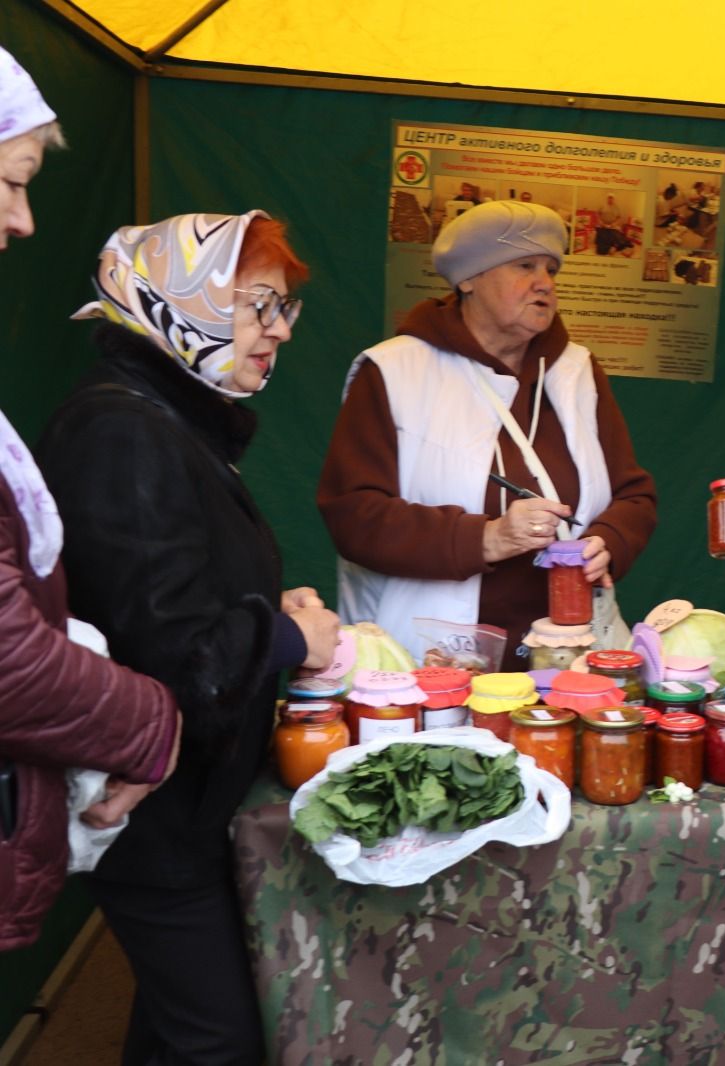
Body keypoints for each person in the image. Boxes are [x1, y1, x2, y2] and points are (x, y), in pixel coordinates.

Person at [36, 211, 341, 1063]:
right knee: (223, 1040)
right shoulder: (124, 429)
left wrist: (269, 602)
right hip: (153, 811)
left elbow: (160, 595)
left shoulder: (167, 419)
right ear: (182, 300)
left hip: (182, 802)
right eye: (256, 305)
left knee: (183, 1029)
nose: (277, 332)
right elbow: (171, 656)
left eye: (285, 310)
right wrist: (286, 636)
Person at [0, 48, 183, 954]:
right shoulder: (123, 422)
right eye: (10, 182)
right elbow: (8, 657)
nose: (25, 221)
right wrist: (154, 722)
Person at [318, 200, 657, 666]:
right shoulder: (395, 370)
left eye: (550, 269)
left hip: (571, 659)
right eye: (524, 265)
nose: (545, 282)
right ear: (468, 280)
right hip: (435, 660)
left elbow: (634, 496)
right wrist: (487, 538)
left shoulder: (578, 371)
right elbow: (355, 515)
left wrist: (610, 542)